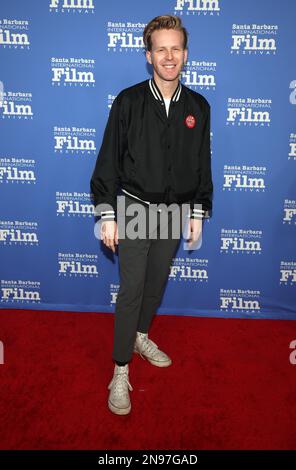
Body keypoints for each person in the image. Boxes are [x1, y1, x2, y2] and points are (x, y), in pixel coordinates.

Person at [90, 15, 213, 415]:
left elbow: (201, 164)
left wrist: (197, 211)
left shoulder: (198, 106)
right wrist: (107, 213)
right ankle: (121, 368)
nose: (169, 56)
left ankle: (141, 336)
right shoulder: (128, 101)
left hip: (175, 211)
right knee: (131, 290)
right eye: (161, 49)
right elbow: (108, 160)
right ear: (149, 56)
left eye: (176, 48)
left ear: (186, 55)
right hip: (133, 208)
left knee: (156, 284)